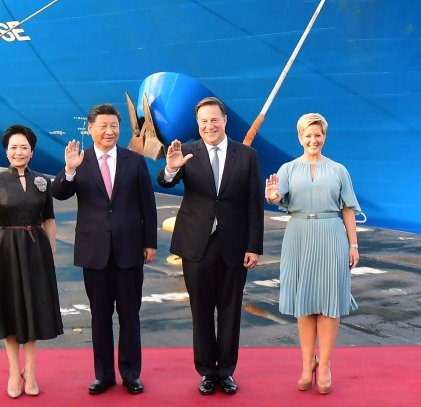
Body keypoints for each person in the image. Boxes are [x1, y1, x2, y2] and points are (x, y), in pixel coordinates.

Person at [159, 97, 263, 396]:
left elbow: (254, 204)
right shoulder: (187, 152)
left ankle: (226, 372)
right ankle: (206, 371)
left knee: (230, 311)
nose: (209, 126)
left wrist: (254, 246)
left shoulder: (247, 155)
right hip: (196, 243)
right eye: (203, 121)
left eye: (214, 119)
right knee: (200, 310)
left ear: (225, 120)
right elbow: (166, 182)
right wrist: (170, 169)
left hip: (233, 243)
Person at [52, 104, 158, 396]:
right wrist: (69, 170)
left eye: (114, 125)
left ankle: (131, 374)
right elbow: (58, 193)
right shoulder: (79, 161)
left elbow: (148, 206)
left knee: (130, 315)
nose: (109, 131)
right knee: (99, 317)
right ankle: (104, 376)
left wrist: (150, 242)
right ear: (90, 129)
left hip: (129, 249)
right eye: (103, 126)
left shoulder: (134, 161)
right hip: (94, 251)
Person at [264, 113, 362, 396]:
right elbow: (275, 196)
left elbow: (348, 209)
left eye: (317, 135)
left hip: (332, 234)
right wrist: (271, 196)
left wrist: (353, 245)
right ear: (299, 137)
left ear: (324, 137)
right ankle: (308, 364)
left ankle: (327, 365)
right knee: (304, 302)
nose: (313, 140)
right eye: (307, 135)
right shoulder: (288, 169)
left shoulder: (339, 170)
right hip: (298, 234)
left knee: (330, 302)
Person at [0, 124, 63, 398]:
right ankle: (13, 371)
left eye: (24, 147)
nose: (18, 152)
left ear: (32, 152)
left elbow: (49, 220)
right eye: (13, 148)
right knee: (10, 311)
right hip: (6, 251)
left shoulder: (42, 182)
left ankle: (30, 371)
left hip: (36, 252)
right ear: (6, 152)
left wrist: (51, 254)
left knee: (33, 311)